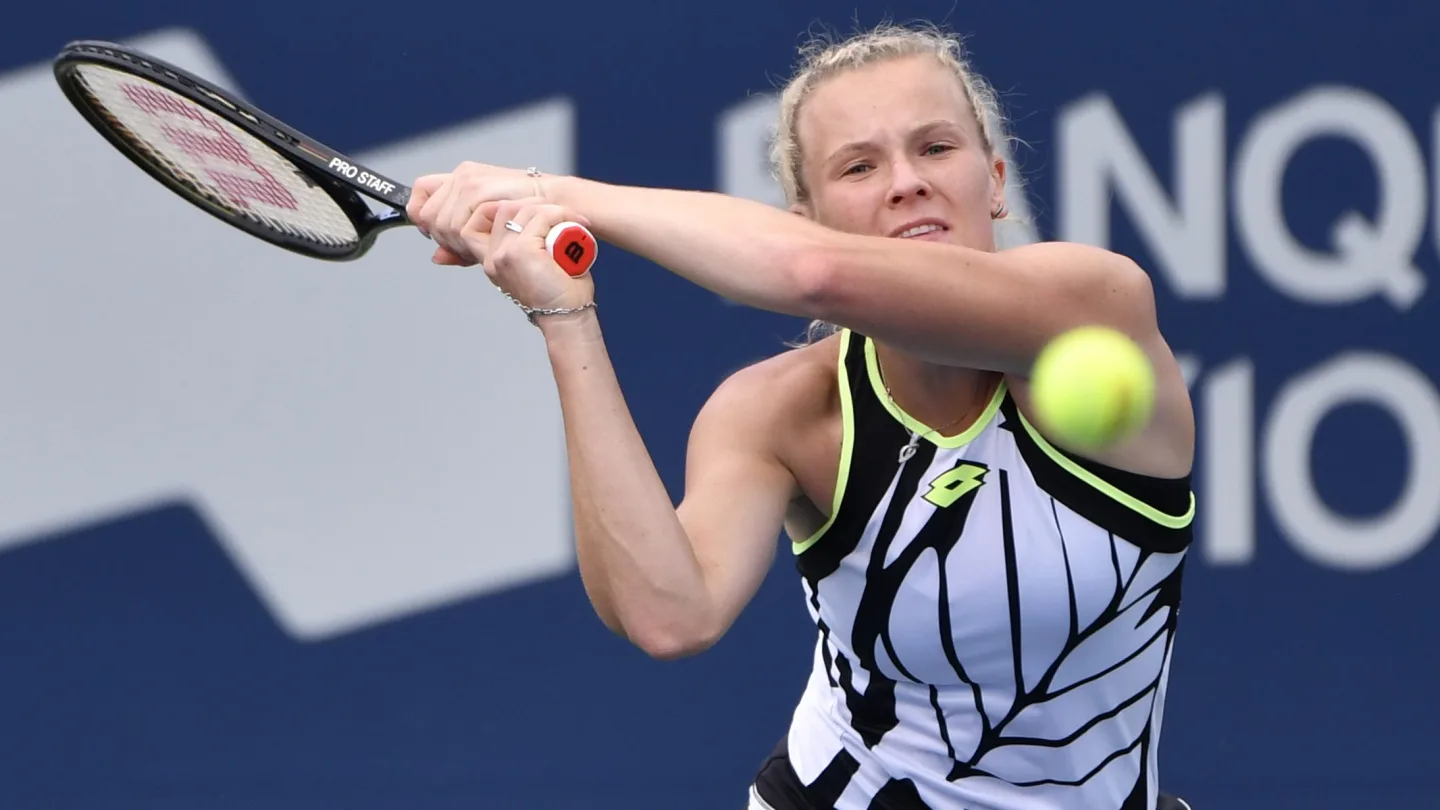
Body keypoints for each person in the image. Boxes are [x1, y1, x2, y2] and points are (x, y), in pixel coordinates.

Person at [406, 20, 1197, 810]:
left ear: (995, 179)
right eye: (859, 166)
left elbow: (812, 273)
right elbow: (670, 617)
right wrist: (565, 318)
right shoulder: (785, 412)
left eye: (935, 148)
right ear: (807, 214)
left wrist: (553, 194)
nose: (906, 182)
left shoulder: (1096, 309)